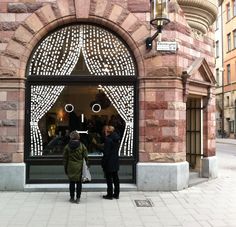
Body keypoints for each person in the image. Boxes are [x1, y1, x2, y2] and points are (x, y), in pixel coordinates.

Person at [63, 130, 88, 204]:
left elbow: (65, 158)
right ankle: (78, 198)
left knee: (71, 183)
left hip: (70, 166)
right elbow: (86, 156)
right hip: (79, 166)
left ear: (71, 137)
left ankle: (71, 197)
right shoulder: (82, 146)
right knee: (79, 183)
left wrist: (66, 168)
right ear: (78, 137)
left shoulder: (67, 146)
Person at [101, 125, 120, 200]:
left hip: (109, 162)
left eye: (105, 131)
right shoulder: (116, 138)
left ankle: (109, 195)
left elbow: (106, 153)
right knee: (115, 178)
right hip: (115, 161)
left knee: (109, 179)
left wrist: (103, 163)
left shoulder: (108, 140)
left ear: (107, 132)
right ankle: (116, 194)